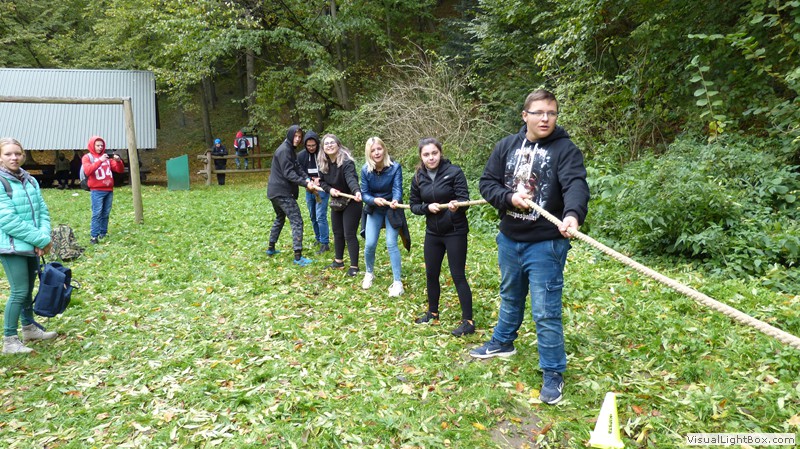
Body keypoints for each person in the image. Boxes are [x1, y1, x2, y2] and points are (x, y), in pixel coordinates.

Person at [470, 89, 590, 406]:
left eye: (551, 113)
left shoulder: (565, 150)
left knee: (545, 311)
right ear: (525, 116)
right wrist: (509, 198)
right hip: (509, 239)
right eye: (539, 113)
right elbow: (487, 183)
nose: (546, 119)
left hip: (546, 243)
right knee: (510, 294)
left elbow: (576, 184)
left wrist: (572, 215)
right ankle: (503, 342)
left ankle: (553, 371)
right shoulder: (506, 146)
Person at [409, 138, 474, 337]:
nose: (431, 158)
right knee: (431, 273)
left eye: (434, 153)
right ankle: (433, 313)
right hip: (433, 233)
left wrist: (457, 206)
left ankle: (468, 321)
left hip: (455, 231)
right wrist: (427, 208)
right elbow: (414, 205)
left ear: (440, 153)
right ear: (421, 157)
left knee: (457, 275)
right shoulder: (418, 177)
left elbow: (465, 200)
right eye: (426, 154)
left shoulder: (454, 172)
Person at [0, 138, 57, 355]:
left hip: (32, 244)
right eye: (8, 154)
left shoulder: (30, 180)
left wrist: (42, 237)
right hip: (11, 247)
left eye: (17, 153)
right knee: (19, 291)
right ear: (0, 157)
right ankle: (9, 340)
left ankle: (29, 329)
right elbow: (7, 220)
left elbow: (42, 211)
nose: (14, 158)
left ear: (23, 155)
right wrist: (40, 241)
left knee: (28, 290)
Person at [360, 136, 405, 297]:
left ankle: (398, 282)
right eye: (373, 150)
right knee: (370, 243)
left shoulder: (395, 167)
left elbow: (397, 188)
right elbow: (364, 193)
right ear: (369, 153)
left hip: (392, 208)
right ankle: (369, 273)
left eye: (379, 149)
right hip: (374, 209)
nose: (377, 152)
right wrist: (373, 200)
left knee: (391, 243)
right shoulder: (365, 170)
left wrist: (395, 200)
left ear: (384, 149)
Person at [266, 125, 316, 266]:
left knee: (280, 217)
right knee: (297, 221)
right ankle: (298, 257)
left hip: (274, 192)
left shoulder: (290, 149)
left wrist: (307, 179)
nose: (298, 139)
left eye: (299, 136)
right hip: (281, 192)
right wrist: (306, 184)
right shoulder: (284, 150)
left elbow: (297, 167)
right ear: (290, 135)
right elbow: (289, 173)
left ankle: (271, 248)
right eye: (295, 136)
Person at [317, 134, 363, 276]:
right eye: (326, 143)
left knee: (349, 234)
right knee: (337, 232)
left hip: (352, 201)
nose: (329, 145)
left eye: (332, 142)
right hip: (337, 201)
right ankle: (338, 261)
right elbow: (322, 182)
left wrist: (356, 191)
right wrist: (330, 190)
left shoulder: (346, 162)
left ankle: (354, 267)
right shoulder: (323, 163)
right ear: (323, 148)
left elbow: (351, 178)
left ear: (338, 145)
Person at [82, 136, 125, 245]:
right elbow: (87, 171)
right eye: (97, 145)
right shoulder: (87, 157)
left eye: (102, 145)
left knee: (106, 213)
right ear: (92, 145)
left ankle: (103, 233)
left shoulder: (107, 158)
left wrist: (119, 161)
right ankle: (94, 236)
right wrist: (100, 161)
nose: (100, 147)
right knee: (97, 213)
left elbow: (119, 170)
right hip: (96, 190)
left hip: (109, 190)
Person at [297, 130, 330, 254]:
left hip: (322, 188)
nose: (311, 148)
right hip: (309, 189)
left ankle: (325, 243)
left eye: (313, 145)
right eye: (308, 145)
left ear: (317, 144)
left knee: (321, 215)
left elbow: (329, 170)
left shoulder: (324, 154)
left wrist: (320, 179)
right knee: (313, 215)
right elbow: (300, 171)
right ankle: (318, 238)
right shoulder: (301, 156)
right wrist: (308, 181)